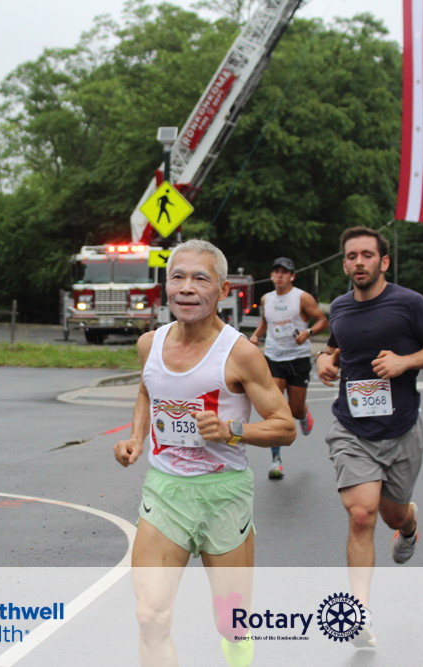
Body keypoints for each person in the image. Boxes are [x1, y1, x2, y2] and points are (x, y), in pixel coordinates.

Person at [114, 239, 296, 666]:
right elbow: (147, 390)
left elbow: (285, 426)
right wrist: (137, 438)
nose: (186, 288)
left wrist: (232, 430)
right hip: (165, 492)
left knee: (231, 622)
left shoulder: (240, 353)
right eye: (177, 277)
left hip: (224, 495)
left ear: (223, 289)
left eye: (200, 279)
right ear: (166, 286)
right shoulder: (150, 344)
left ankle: (237, 647)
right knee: (150, 616)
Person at [316, 227, 423, 648]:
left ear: (383, 261)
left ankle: (409, 524)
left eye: (367, 255)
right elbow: (336, 345)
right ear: (345, 264)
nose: (359, 262)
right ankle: (359, 616)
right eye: (351, 256)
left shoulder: (409, 303)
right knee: (362, 514)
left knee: (392, 516)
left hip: (401, 430)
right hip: (352, 429)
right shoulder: (340, 307)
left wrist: (405, 361)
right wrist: (324, 359)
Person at [249, 257, 328, 479]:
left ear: (292, 276)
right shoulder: (266, 299)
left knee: (294, 409)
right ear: (272, 275)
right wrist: (256, 336)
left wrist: (308, 332)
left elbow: (322, 320)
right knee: (275, 410)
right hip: (274, 357)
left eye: (284, 272)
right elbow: (265, 322)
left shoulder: (302, 297)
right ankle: (276, 461)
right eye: (276, 272)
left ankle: (303, 413)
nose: (280, 276)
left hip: (298, 358)